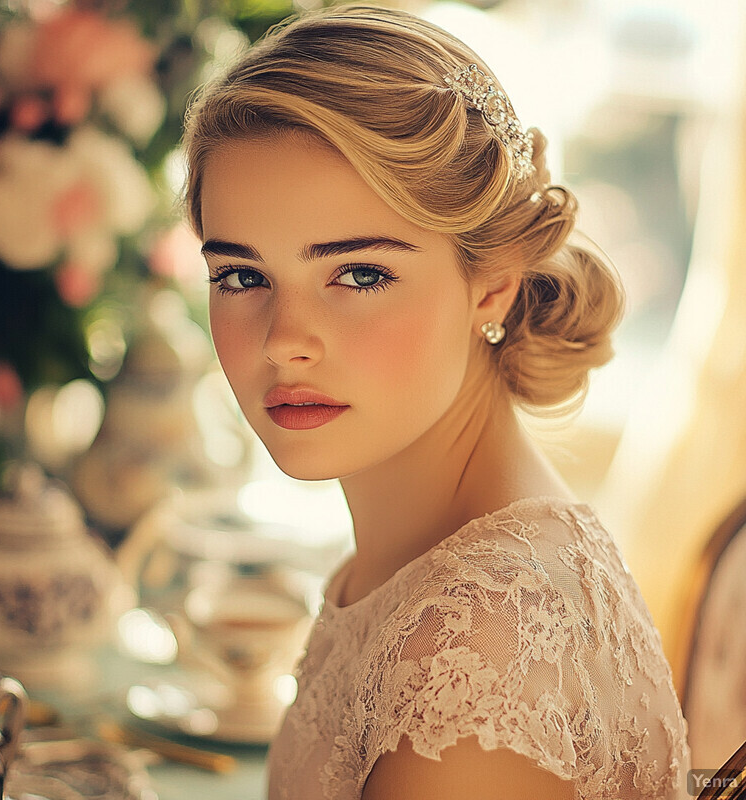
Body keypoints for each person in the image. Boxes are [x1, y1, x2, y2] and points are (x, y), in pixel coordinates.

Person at [181, 4, 692, 798]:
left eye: (359, 275)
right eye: (241, 276)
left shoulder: (480, 649)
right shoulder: (423, 550)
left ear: (491, 285)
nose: (285, 339)